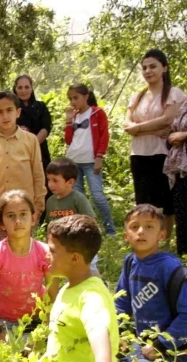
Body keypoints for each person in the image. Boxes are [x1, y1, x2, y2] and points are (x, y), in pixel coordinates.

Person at [36, 215, 120, 362]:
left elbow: (98, 327)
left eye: (53, 250)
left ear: (74, 258)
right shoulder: (68, 288)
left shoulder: (91, 294)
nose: (47, 255)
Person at [115, 204, 187, 362]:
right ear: (126, 236)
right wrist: (116, 333)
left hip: (174, 350)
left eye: (149, 226)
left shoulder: (170, 267)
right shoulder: (130, 262)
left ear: (162, 235)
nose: (141, 231)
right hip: (141, 344)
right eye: (134, 227)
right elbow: (120, 302)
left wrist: (160, 345)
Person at [0, 190, 57, 340]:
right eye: (11, 216)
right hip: (6, 323)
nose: (18, 221)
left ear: (33, 218)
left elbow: (52, 295)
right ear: (1, 223)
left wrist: (46, 327)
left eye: (23, 214)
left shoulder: (45, 252)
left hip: (39, 321)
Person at [125, 49, 187, 239]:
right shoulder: (137, 96)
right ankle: (147, 240)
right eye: (144, 68)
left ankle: (165, 241)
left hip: (163, 153)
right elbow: (127, 125)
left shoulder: (174, 93)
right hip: (139, 153)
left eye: (153, 66)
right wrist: (149, 130)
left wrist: (139, 128)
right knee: (143, 201)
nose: (148, 71)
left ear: (164, 68)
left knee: (167, 203)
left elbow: (167, 120)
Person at [0, 91, 46, 236]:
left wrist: (38, 205)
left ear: (18, 112)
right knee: (1, 251)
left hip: (23, 208)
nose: (5, 116)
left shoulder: (31, 140)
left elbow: (38, 174)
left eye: (9, 110)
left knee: (23, 248)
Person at [65, 83, 116, 235]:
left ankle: (110, 229)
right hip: (74, 161)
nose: (73, 102)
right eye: (70, 99)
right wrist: (68, 121)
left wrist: (99, 156)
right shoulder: (74, 116)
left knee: (97, 195)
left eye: (76, 98)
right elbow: (68, 140)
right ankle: (86, 230)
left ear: (86, 97)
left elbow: (104, 136)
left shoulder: (97, 113)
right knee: (79, 196)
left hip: (91, 160)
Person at [14, 75, 52, 176]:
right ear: (15, 89)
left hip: (40, 151)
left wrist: (33, 144)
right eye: (20, 87)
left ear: (32, 88)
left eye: (27, 87)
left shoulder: (41, 107)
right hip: (17, 152)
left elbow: (45, 128)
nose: (23, 90)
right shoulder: (11, 109)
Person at [164, 96, 187, 255]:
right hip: (181, 166)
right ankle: (184, 254)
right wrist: (173, 138)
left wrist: (184, 135)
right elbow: (172, 131)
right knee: (182, 213)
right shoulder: (184, 105)